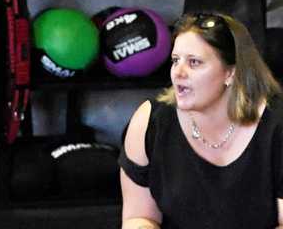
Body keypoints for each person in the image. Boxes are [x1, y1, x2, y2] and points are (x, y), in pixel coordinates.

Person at [119, 12, 283, 228]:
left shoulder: (277, 125)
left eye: (194, 62)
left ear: (231, 73)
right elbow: (138, 217)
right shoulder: (150, 122)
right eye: (175, 61)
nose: (178, 72)